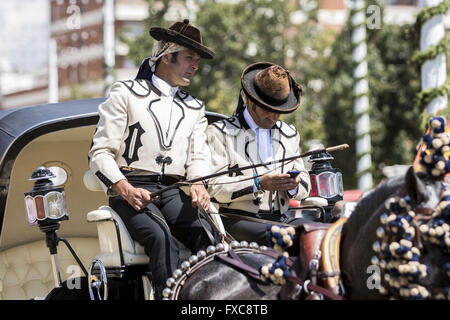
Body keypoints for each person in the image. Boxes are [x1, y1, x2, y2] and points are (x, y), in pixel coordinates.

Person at [88, 19, 217, 299]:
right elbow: (99, 153)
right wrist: (124, 188)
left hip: (171, 190)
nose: (195, 66)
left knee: (207, 234)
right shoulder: (125, 93)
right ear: (166, 57)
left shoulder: (195, 107)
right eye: (189, 58)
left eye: (197, 60)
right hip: (130, 187)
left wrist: (198, 183)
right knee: (160, 237)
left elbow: (198, 155)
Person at [206, 62, 311, 245]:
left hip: (281, 219)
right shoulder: (220, 132)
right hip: (238, 220)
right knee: (285, 237)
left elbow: (305, 183)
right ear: (250, 101)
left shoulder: (290, 134)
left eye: (279, 111)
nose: (273, 117)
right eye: (268, 110)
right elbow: (214, 188)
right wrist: (258, 183)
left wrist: (293, 185)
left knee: (319, 234)